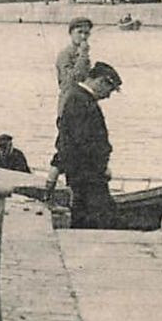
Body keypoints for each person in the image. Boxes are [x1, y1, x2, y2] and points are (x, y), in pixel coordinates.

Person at [49, 62, 122, 229]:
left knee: (87, 216)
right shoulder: (80, 100)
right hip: (88, 174)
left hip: (85, 173)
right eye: (109, 90)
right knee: (101, 218)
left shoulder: (79, 98)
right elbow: (79, 141)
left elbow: (67, 137)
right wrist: (101, 166)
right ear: (101, 81)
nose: (108, 96)